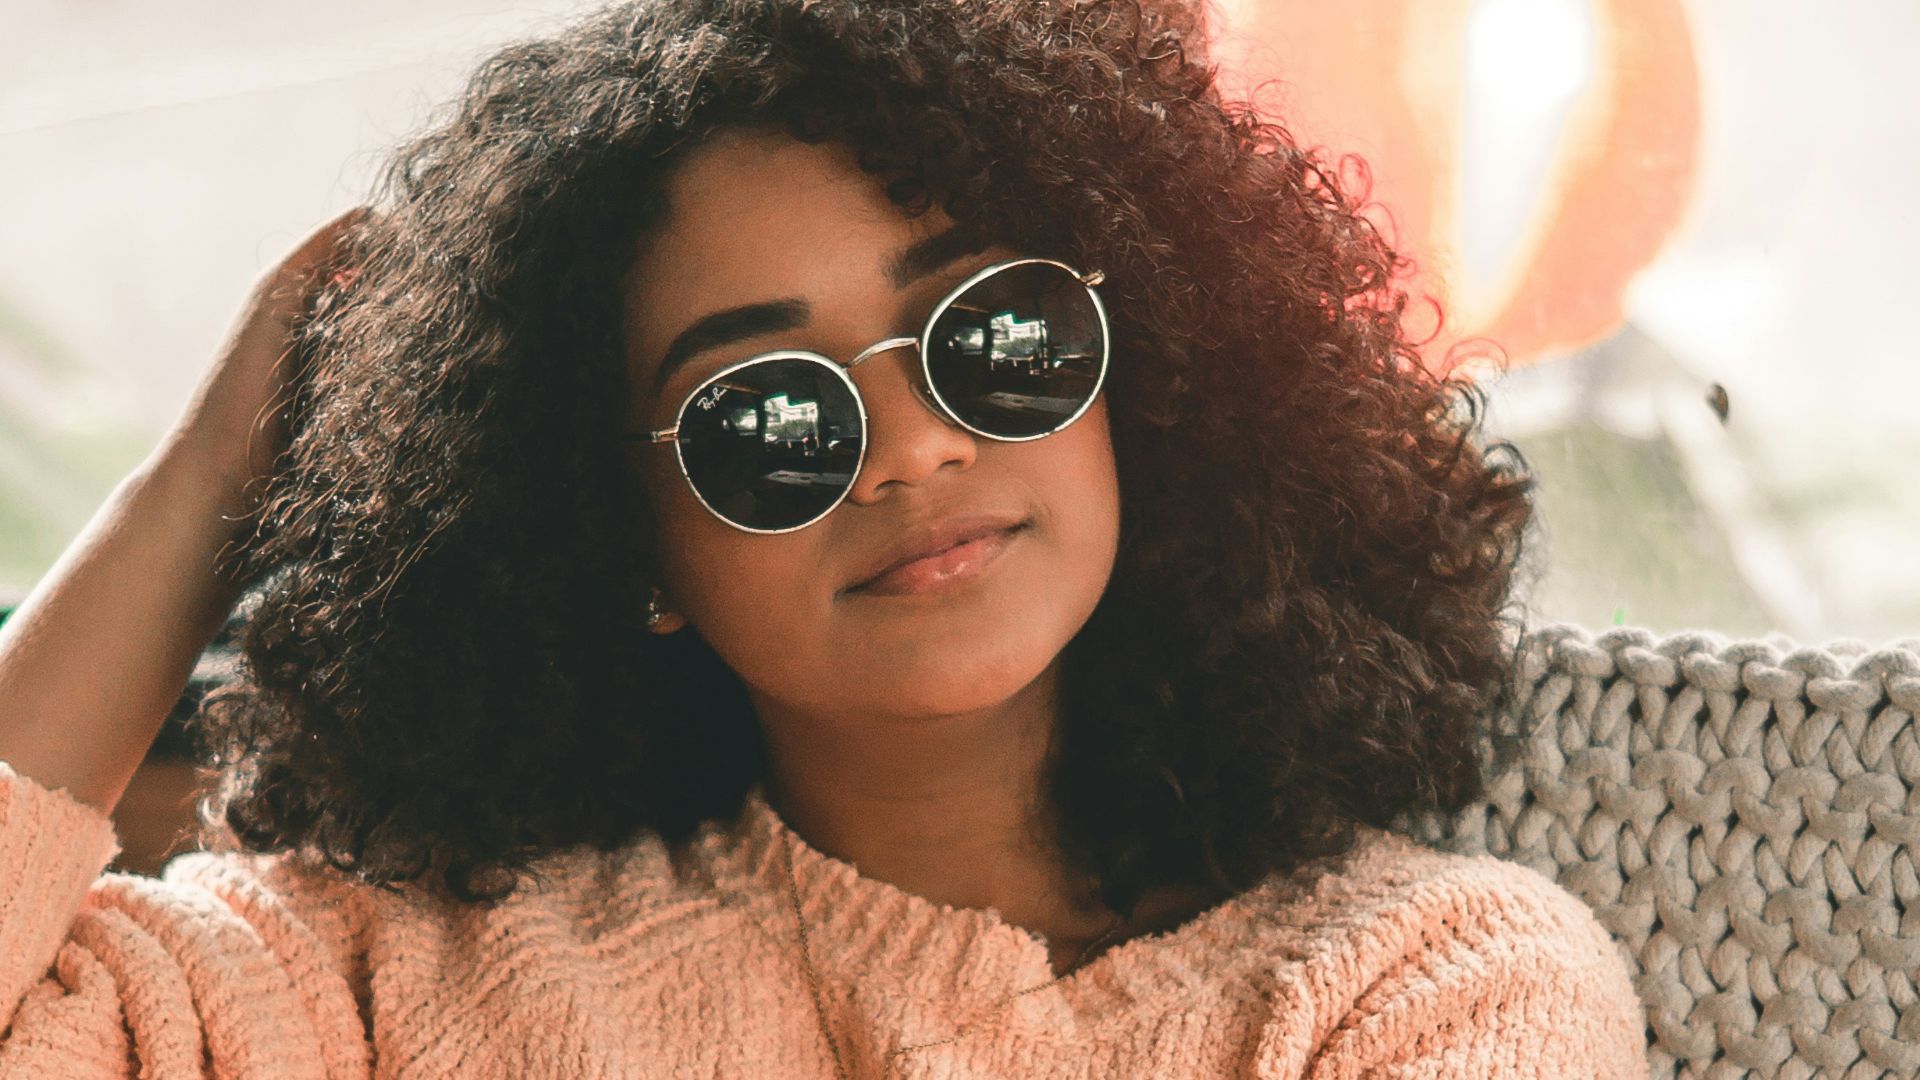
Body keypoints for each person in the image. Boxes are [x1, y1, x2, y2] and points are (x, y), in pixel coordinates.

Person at [0, 0, 1651, 1075]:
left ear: (1143, 383)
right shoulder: (402, 971)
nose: (915, 446)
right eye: (768, 416)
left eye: (994, 343)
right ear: (623, 536)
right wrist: (211, 481)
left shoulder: (1436, 984)